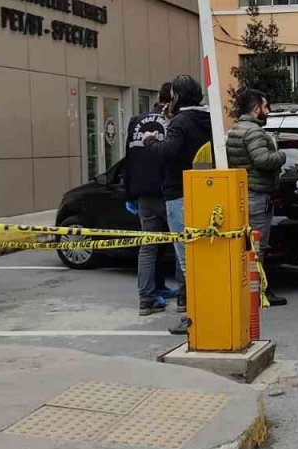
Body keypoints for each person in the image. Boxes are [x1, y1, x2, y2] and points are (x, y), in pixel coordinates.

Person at [158, 75, 213, 334]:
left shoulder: (180, 122)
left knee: (186, 259)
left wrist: (150, 141)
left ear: (176, 97)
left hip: (179, 194)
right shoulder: (208, 119)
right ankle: (211, 309)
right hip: (205, 192)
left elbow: (169, 153)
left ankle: (194, 316)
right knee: (205, 256)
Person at [226, 89, 289, 307]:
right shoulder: (254, 132)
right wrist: (281, 156)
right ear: (256, 109)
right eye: (265, 106)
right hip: (258, 194)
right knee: (257, 247)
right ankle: (259, 290)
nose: (267, 110)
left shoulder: (235, 129)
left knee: (247, 245)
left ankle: (250, 288)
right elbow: (262, 160)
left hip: (245, 192)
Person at [123, 83, 174, 316]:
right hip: (168, 191)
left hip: (143, 193)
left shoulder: (135, 122)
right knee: (181, 243)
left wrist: (129, 192)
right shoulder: (174, 122)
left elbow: (129, 158)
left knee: (149, 246)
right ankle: (186, 297)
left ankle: (147, 297)